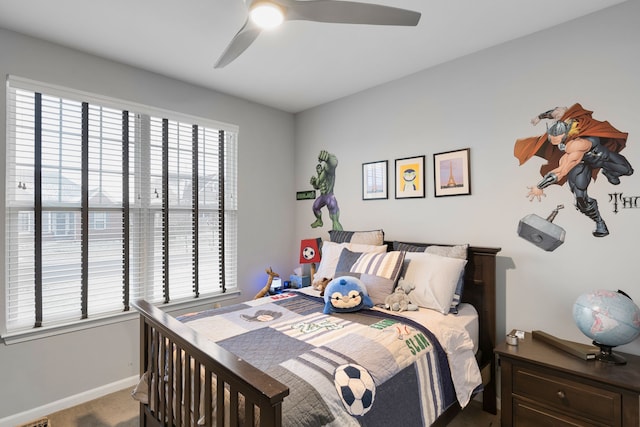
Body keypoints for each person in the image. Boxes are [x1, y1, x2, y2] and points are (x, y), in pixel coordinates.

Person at [514, 103, 633, 237]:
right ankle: (599, 222)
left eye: (559, 142)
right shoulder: (565, 120)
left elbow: (562, 171)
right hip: (581, 165)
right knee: (581, 199)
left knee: (627, 170)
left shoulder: (577, 144)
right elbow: (555, 112)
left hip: (602, 158)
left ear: (566, 133)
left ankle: (609, 172)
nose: (559, 145)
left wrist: (539, 186)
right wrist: (539, 117)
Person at [310, 150, 343, 230]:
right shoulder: (319, 179)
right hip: (322, 197)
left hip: (329, 196)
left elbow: (333, 164)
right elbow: (317, 187)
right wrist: (314, 183)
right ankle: (319, 220)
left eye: (319, 167)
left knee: (335, 220)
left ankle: (339, 233)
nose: (319, 169)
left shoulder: (327, 171)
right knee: (315, 207)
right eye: (317, 168)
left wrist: (328, 157)